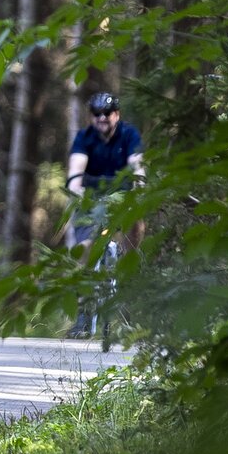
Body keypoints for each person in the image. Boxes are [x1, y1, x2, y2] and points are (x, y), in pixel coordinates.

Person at [62, 91, 143, 337]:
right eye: (97, 114)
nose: (102, 118)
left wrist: (140, 188)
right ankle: (83, 318)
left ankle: (129, 301)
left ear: (116, 114)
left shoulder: (129, 135)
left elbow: (137, 166)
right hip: (91, 200)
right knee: (85, 248)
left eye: (107, 113)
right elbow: (75, 172)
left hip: (122, 198)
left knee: (136, 226)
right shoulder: (84, 138)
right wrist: (75, 190)